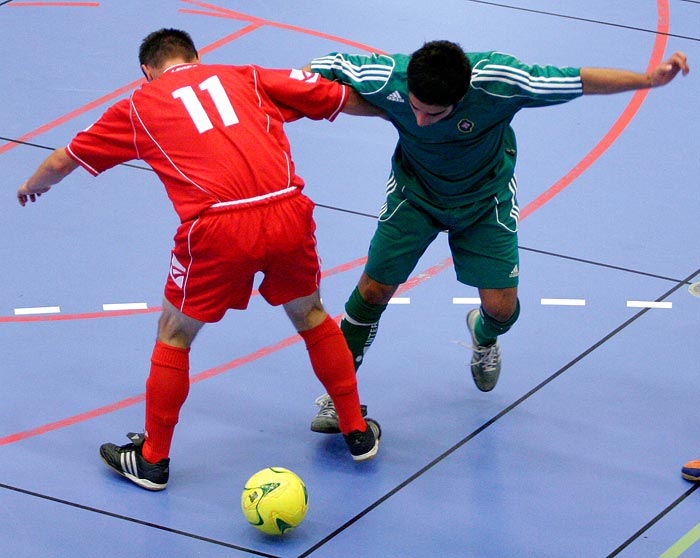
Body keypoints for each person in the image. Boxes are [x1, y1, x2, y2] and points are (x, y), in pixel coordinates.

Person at [16, 28, 383, 491]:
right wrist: (409, 115)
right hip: (288, 208)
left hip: (218, 226)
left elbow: (64, 159)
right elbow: (335, 96)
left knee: (175, 333)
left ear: (146, 72)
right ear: (196, 56)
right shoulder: (243, 75)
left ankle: (152, 460)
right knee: (311, 314)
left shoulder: (138, 105)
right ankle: (355, 430)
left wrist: (34, 186)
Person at [301, 40, 690, 433]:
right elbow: (316, 69)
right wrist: (372, 107)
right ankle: (338, 398)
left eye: (432, 113)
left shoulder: (500, 83)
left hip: (486, 202)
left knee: (502, 310)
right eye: (414, 107)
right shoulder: (389, 77)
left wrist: (647, 80)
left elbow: (579, 80)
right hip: (414, 197)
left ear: (461, 97)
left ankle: (483, 336)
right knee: (372, 291)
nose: (419, 120)